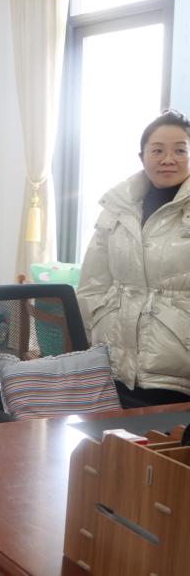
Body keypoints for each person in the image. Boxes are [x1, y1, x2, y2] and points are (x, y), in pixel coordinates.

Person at [77, 109, 190, 409]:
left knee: (160, 438)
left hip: (176, 369)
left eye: (180, 150)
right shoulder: (118, 206)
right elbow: (92, 284)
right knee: (106, 437)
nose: (168, 159)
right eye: (158, 150)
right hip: (112, 359)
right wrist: (88, 340)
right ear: (142, 157)